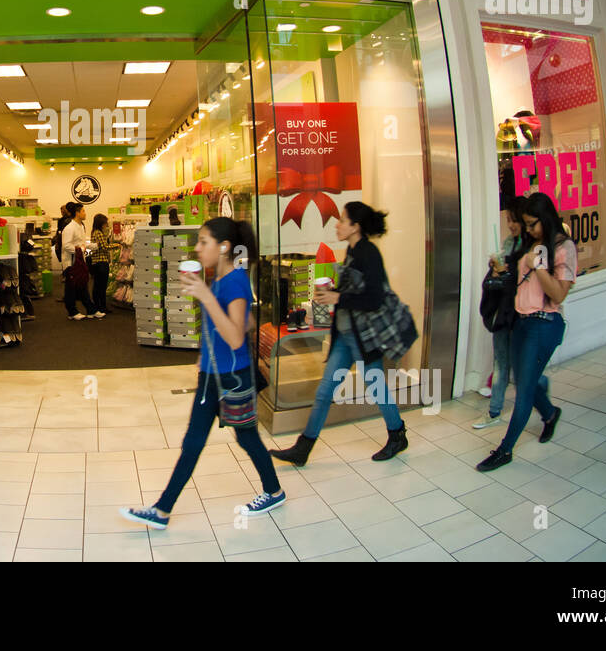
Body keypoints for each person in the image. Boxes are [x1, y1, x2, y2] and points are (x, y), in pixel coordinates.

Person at [121, 218, 284, 528]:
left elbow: (235, 337)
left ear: (223, 247)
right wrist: (205, 356)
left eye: (204, 241)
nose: (197, 247)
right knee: (194, 441)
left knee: (246, 439)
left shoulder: (234, 281)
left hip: (233, 376)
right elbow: (240, 324)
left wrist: (206, 298)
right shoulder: (220, 279)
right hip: (212, 373)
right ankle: (162, 510)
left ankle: (273, 490)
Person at [271, 202, 409, 466]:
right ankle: (303, 448)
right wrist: (335, 294)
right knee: (325, 392)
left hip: (362, 337)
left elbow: (374, 298)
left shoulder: (369, 253)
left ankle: (397, 434)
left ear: (355, 226)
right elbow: (353, 293)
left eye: (343, 220)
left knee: (376, 386)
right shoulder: (353, 250)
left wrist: (338, 296)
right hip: (346, 337)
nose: (337, 224)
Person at [476, 193, 575, 472]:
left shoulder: (563, 246)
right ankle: (550, 413)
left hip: (544, 323)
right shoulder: (535, 244)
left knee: (524, 390)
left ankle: (505, 450)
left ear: (545, 219)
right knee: (523, 383)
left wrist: (537, 266)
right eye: (526, 224)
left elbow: (558, 294)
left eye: (532, 224)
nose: (528, 229)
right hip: (520, 322)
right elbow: (522, 282)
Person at [475, 195, 534, 430]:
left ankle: (540, 392)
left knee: (522, 369)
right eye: (509, 219)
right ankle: (494, 411)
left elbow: (531, 282)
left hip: (523, 314)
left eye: (515, 220)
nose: (511, 225)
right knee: (501, 364)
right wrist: (496, 270)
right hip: (503, 311)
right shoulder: (509, 243)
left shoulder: (534, 248)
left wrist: (508, 275)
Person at [60, 203, 99, 320]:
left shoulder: (81, 226)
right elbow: (66, 246)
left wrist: (95, 246)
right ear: (77, 213)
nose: (85, 213)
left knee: (82, 286)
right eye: (83, 211)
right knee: (71, 288)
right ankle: (72, 312)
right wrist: (81, 249)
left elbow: (82, 243)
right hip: (70, 262)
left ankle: (91, 310)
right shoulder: (69, 228)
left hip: (79, 261)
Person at [88, 213, 113, 316]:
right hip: (101, 262)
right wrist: (116, 246)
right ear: (101, 223)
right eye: (105, 223)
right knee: (101, 286)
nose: (106, 225)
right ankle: (101, 307)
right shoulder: (99, 233)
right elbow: (104, 247)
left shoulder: (94, 232)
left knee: (98, 285)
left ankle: (99, 306)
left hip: (97, 262)